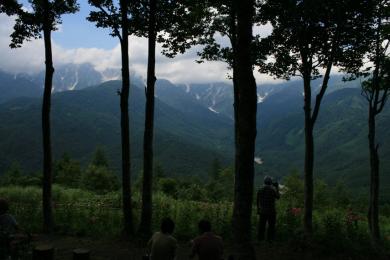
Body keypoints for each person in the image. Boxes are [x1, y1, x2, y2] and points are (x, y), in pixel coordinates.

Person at [257, 176, 280, 241]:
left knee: (261, 227)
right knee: (271, 227)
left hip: (262, 211)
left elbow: (257, 201)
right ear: (270, 182)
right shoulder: (272, 190)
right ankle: (270, 240)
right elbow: (278, 197)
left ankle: (260, 240)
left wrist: (258, 210)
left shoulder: (260, 190)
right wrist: (277, 187)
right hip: (271, 211)